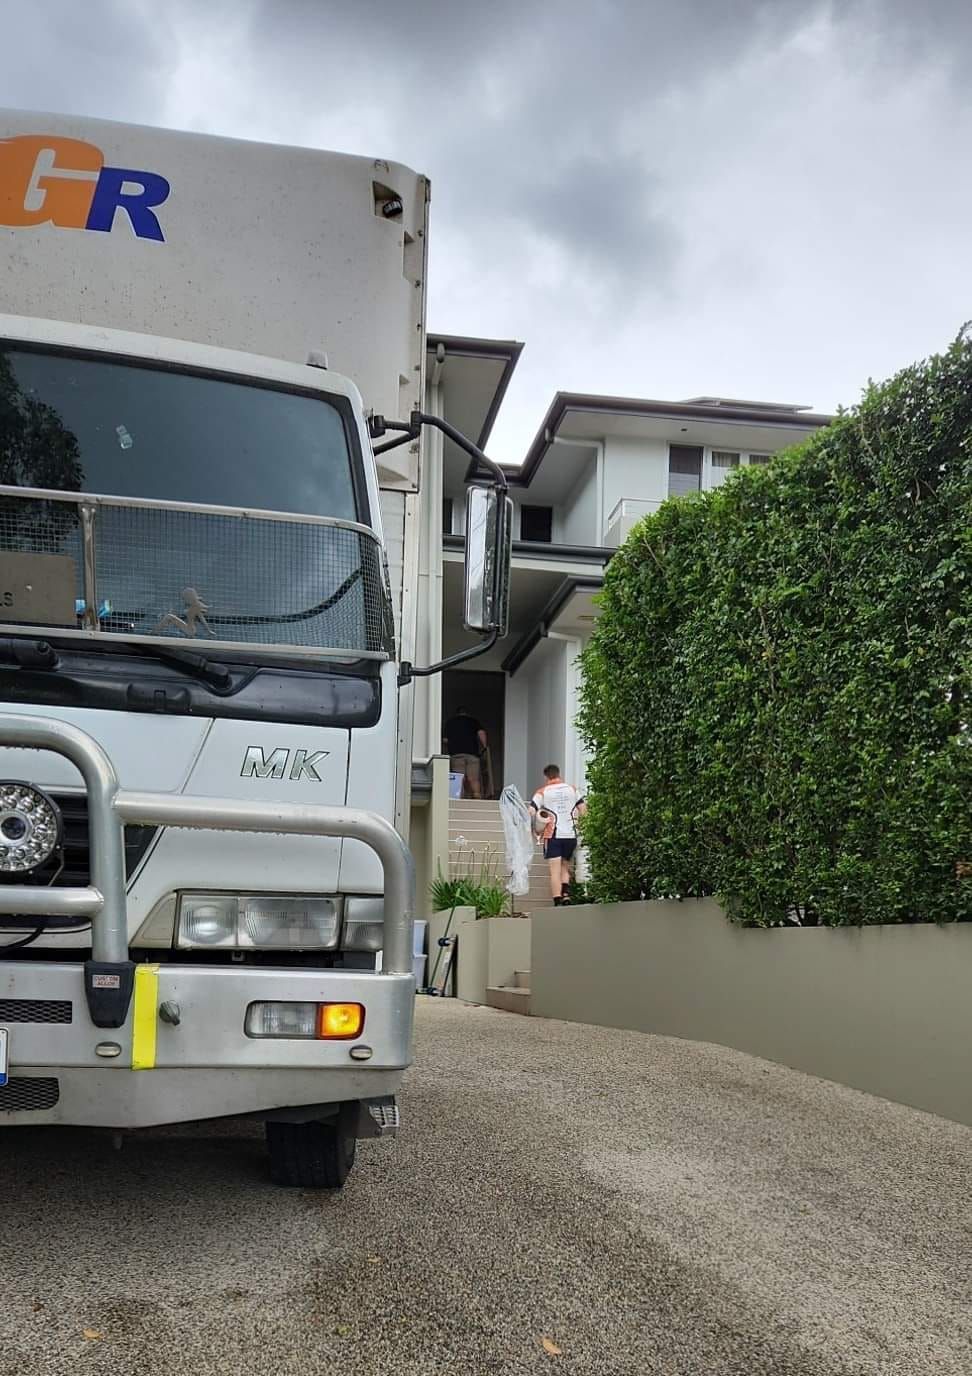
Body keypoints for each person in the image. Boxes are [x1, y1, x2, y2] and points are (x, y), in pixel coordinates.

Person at [529, 765, 586, 905]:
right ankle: (566, 895)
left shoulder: (542, 792)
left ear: (546, 777)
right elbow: (583, 809)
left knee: (554, 870)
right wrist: (581, 827)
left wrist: (534, 827)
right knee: (565, 866)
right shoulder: (572, 789)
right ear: (558, 774)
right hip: (571, 835)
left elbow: (531, 810)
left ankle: (557, 899)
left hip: (553, 834)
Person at [444, 706, 487, 799]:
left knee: (459, 779)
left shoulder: (450, 722)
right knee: (473, 779)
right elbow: (481, 733)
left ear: (457, 713)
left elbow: (445, 740)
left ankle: (458, 799)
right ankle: (477, 797)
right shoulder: (473, 721)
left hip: (456, 754)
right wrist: (484, 747)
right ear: (466, 713)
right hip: (472, 754)